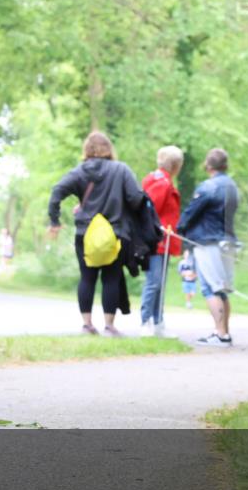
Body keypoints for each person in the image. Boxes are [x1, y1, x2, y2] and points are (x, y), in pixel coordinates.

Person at [47, 131, 145, 337]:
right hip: (114, 233)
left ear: (87, 149)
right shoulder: (121, 170)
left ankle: (87, 324)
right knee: (111, 278)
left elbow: (57, 191)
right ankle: (109, 325)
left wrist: (54, 221)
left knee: (87, 278)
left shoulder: (79, 172)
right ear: (109, 149)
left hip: (86, 234)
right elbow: (136, 198)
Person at [177, 148, 240, 347]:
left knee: (210, 288)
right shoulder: (232, 186)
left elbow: (191, 212)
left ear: (208, 165)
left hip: (207, 242)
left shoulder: (208, 187)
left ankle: (221, 335)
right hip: (228, 241)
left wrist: (180, 229)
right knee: (222, 288)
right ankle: (224, 333)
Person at [139, 146, 184, 336]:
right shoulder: (162, 184)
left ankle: (158, 323)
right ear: (175, 165)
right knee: (154, 282)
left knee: (159, 283)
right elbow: (149, 212)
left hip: (163, 241)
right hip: (157, 241)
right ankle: (145, 322)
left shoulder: (161, 180)